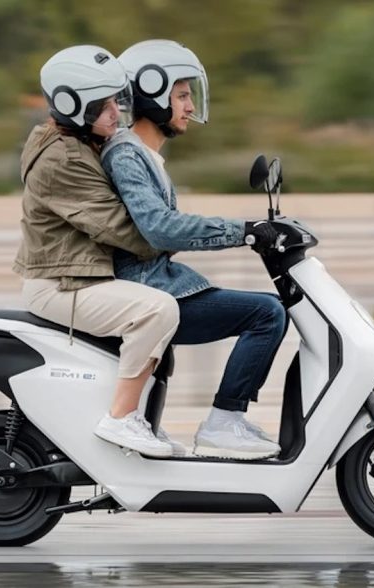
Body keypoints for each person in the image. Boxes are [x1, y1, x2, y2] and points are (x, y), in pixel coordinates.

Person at [101, 40, 287, 460]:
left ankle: (225, 420)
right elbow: (161, 229)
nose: (189, 106)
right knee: (267, 313)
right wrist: (244, 231)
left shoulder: (143, 155)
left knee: (265, 308)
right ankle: (224, 422)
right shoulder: (128, 154)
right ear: (151, 91)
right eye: (181, 95)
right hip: (147, 287)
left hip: (158, 283)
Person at [14, 45, 186, 458]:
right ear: (73, 105)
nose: (116, 112)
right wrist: (179, 233)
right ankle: (121, 419)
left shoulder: (78, 139)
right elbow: (124, 230)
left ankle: (139, 423)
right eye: (103, 104)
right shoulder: (62, 159)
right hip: (61, 284)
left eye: (115, 99)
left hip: (78, 276)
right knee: (157, 310)